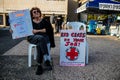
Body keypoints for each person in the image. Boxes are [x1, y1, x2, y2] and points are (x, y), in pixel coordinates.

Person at [27, 7, 55, 75]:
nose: (36, 12)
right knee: (41, 38)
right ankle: (46, 60)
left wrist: (36, 31)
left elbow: (49, 30)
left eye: (38, 11)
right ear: (32, 14)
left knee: (42, 40)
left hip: (43, 38)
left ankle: (39, 65)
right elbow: (21, 29)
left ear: (40, 13)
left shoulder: (45, 21)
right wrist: (12, 30)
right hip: (33, 37)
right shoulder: (29, 22)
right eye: (34, 12)